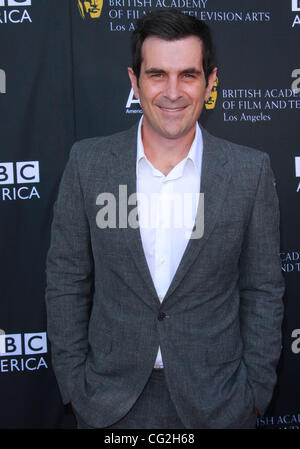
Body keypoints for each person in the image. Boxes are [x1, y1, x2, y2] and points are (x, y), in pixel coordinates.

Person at [45, 9, 285, 429]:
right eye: (157, 74)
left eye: (188, 75)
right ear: (134, 82)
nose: (173, 92)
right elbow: (67, 280)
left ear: (210, 82)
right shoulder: (88, 164)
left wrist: (254, 396)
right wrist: (75, 387)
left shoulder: (250, 172)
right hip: (109, 405)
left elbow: (262, 288)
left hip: (220, 405)